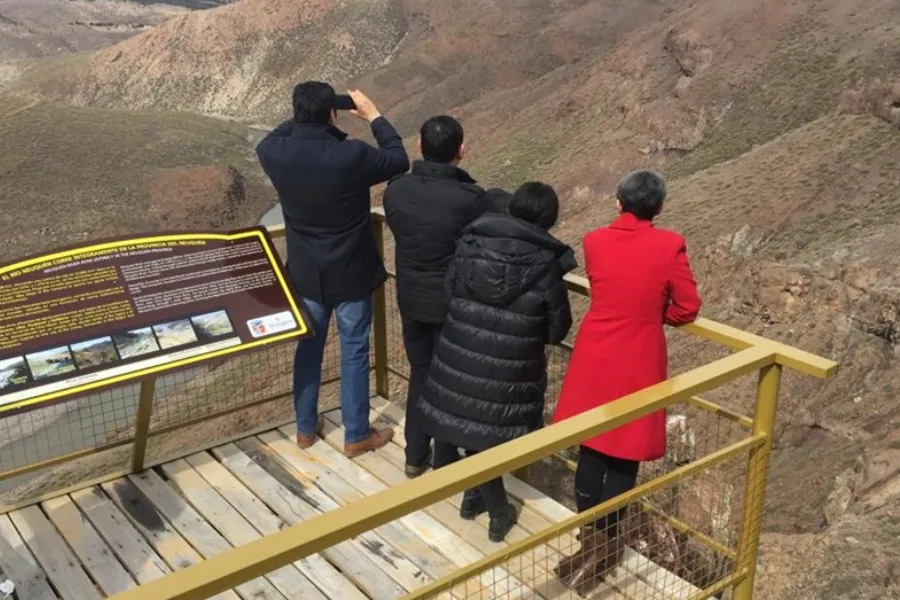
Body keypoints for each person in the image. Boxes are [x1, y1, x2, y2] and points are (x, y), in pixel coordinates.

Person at [551, 170, 701, 592]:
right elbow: (687, 307)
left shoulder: (595, 241)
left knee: (591, 448)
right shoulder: (669, 245)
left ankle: (589, 548)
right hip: (638, 358)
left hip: (596, 353)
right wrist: (653, 317)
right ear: (660, 207)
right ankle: (603, 552)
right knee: (623, 456)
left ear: (618, 202)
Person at [256, 82, 409, 458]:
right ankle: (356, 434)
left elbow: (278, 132)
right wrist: (372, 114)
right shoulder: (351, 155)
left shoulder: (274, 152)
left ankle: (306, 429)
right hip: (351, 270)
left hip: (306, 272)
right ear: (333, 114)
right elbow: (398, 158)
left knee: (308, 348)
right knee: (354, 349)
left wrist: (305, 117)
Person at [418, 182, 575, 542]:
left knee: (473, 429)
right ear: (548, 219)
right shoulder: (548, 264)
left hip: (460, 354)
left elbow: (449, 292)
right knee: (488, 434)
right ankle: (499, 512)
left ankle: (474, 496)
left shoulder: (470, 244)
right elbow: (556, 328)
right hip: (511, 369)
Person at [383, 115, 497, 478]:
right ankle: (445, 460)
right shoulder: (470, 200)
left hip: (411, 298)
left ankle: (414, 455)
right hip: (452, 304)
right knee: (449, 379)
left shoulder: (396, 190)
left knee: (421, 372)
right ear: (461, 151)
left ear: (419, 146)